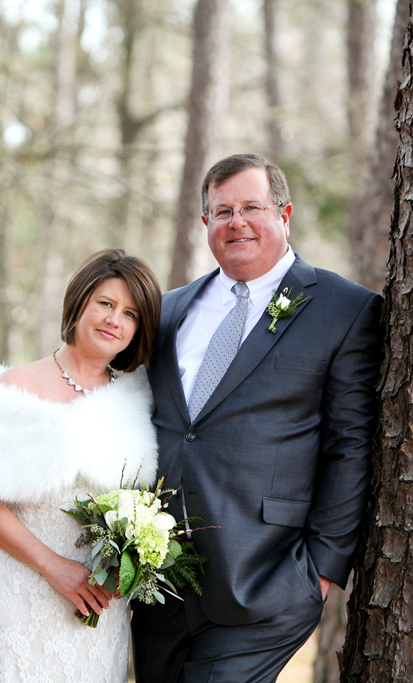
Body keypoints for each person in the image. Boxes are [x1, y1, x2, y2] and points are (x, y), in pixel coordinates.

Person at [131, 154, 383, 682]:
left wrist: (320, 571)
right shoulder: (168, 310)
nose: (236, 222)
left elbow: (351, 445)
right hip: (160, 584)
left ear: (284, 214)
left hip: (265, 581)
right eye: (221, 211)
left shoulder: (344, 309)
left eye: (251, 207)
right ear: (205, 225)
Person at [0, 248, 163, 683]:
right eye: (105, 303)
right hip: (19, 598)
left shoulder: (138, 399)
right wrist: (55, 568)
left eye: (130, 314)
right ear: (80, 301)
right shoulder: (10, 391)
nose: (114, 320)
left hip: (100, 612)